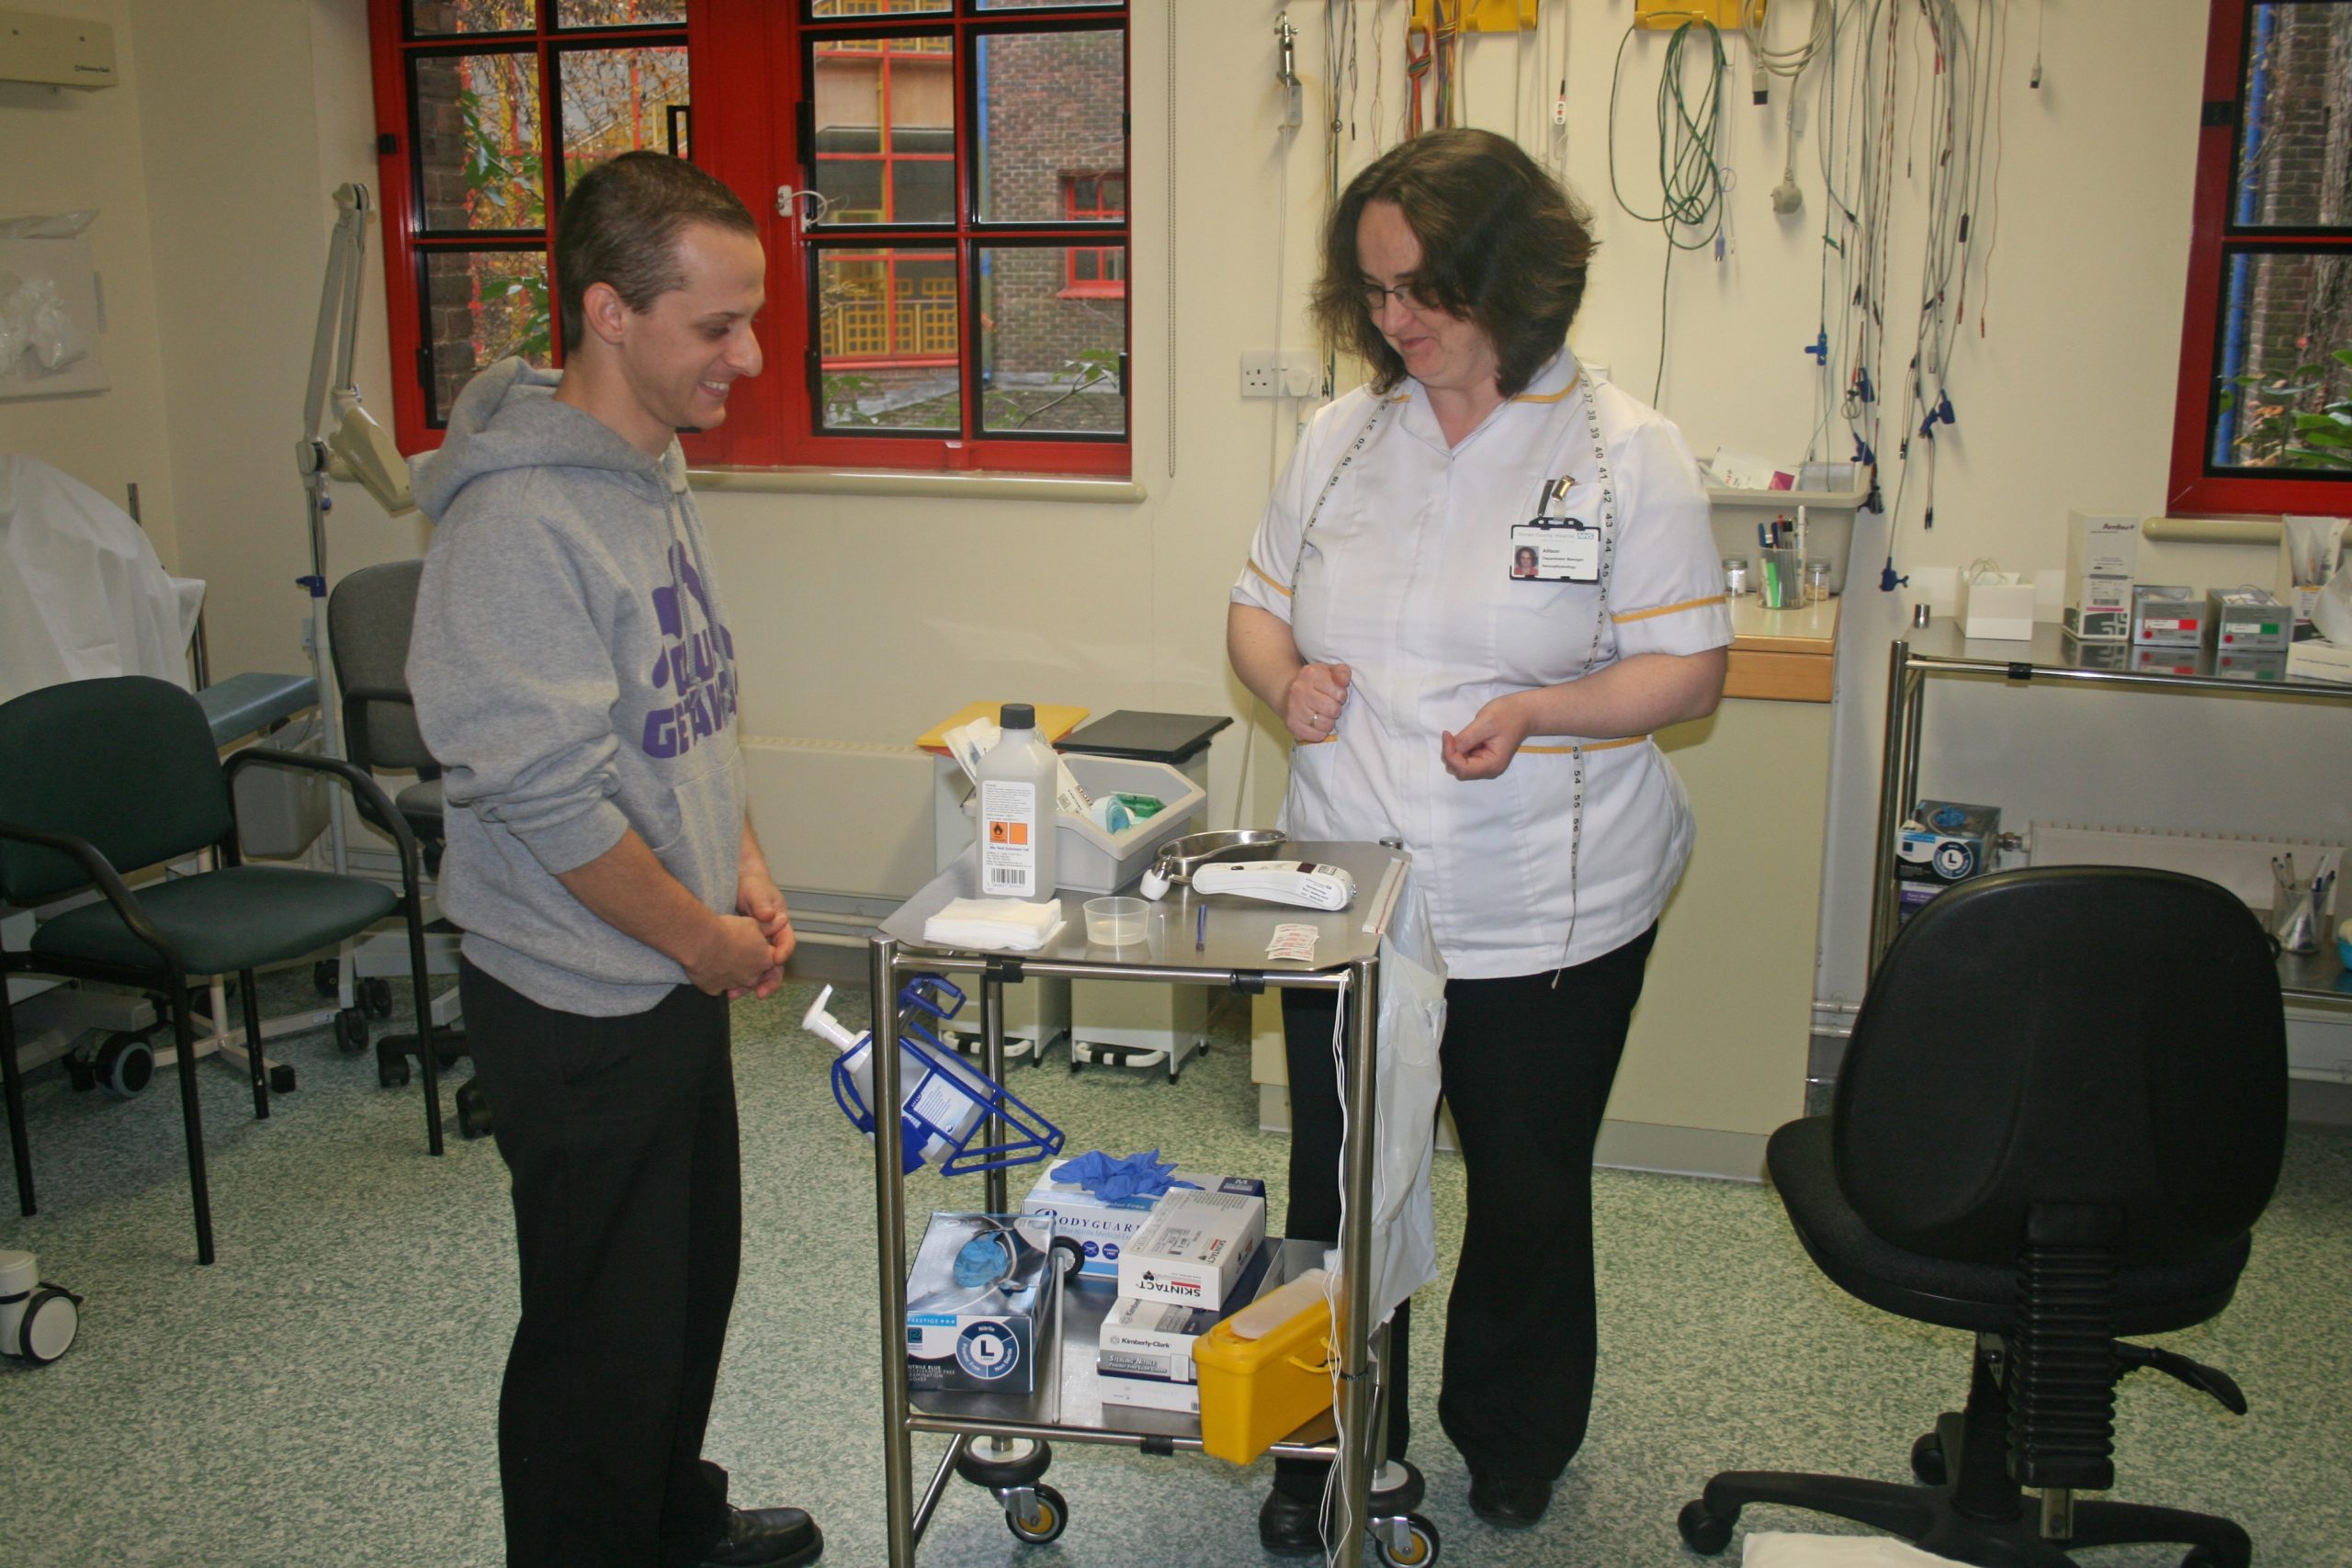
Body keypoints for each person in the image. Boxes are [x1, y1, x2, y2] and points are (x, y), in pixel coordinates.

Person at [1227, 129, 1730, 1549]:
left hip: (1547, 900)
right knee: (1336, 1177)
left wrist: (1543, 709)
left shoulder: (1626, 449)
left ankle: (1512, 1438)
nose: (1396, 321)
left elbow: (1685, 673)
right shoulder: (1343, 437)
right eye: (1375, 291)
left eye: (1425, 292)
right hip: (1351, 890)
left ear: (1515, 282)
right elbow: (1255, 608)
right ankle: (1327, 1433)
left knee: (1523, 1185)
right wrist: (1284, 679)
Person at [409, 152, 820, 1568]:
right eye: (717, 327)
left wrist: (746, 859)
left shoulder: (650, 466)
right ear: (608, 314)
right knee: (599, 1334)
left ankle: (667, 1526)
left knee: (682, 1296)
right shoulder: (517, 522)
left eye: (751, 319)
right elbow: (546, 793)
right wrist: (697, 939)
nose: (750, 357)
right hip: (585, 996)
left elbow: (689, 698)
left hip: (666, 967)